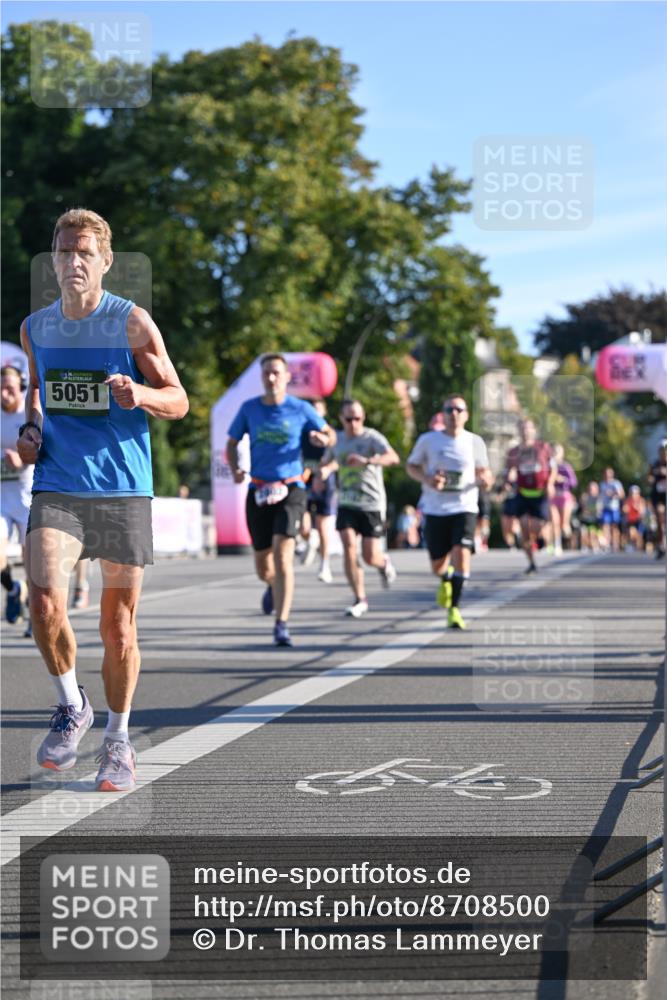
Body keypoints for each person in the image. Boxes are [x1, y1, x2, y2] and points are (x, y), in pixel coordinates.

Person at [17, 208, 188, 792]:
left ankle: (117, 741)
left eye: (85, 252)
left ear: (106, 260)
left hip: (120, 489)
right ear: (53, 260)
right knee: (42, 601)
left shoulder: (131, 324)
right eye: (64, 252)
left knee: (117, 628)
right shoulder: (35, 328)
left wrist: (138, 393)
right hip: (59, 483)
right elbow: (37, 399)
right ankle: (72, 704)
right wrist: (32, 430)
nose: (74, 262)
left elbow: (180, 400)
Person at [226, 354, 335, 646]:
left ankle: (281, 623)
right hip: (259, 488)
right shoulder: (250, 409)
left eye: (276, 373)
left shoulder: (300, 408)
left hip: (291, 488)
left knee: (283, 554)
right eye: (266, 374)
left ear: (287, 377)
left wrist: (325, 440)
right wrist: (236, 469)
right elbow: (232, 442)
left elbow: (329, 434)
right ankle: (272, 586)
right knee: (264, 565)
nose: (271, 378)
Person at [407, 393, 492, 629]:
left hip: (464, 506)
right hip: (435, 509)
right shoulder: (428, 440)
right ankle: (445, 579)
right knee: (438, 564)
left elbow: (486, 474)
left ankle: (454, 609)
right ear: (442, 415)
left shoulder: (475, 442)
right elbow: (411, 466)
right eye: (449, 410)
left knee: (462, 554)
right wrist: (427, 478)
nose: (453, 414)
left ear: (466, 415)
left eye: (458, 410)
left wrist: (486, 481)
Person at [319, 399, 399, 618]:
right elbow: (328, 461)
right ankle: (359, 598)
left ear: (363, 418)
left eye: (357, 418)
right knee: (348, 545)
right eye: (348, 419)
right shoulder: (337, 440)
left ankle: (383, 563)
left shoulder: (371, 437)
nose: (353, 423)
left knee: (370, 556)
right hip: (347, 502)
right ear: (341, 419)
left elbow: (393, 457)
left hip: (371, 503)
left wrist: (368, 460)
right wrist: (324, 471)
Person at [1, 364, 33, 634]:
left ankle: (38, 615)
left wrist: (22, 459)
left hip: (28, 497)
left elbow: (44, 448)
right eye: (1, 388)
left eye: (10, 387)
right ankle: (13, 588)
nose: (4, 392)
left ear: (20, 388)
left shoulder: (28, 413)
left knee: (33, 560)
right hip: (1, 498)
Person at [503, 419, 556, 573]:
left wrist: (550, 483)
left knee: (536, 526)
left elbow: (553, 468)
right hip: (523, 493)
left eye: (528, 428)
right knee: (525, 527)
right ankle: (531, 562)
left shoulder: (543, 447)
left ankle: (543, 539)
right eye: (522, 429)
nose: (525, 432)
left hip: (540, 494)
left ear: (533, 430)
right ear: (518, 431)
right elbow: (508, 471)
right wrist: (508, 480)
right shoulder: (513, 452)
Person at [299, 398, 336, 583]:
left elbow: (339, 457)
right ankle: (308, 538)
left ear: (324, 412)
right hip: (305, 479)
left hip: (324, 481)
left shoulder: (329, 433)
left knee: (322, 526)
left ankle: (325, 565)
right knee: (303, 526)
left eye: (318, 409)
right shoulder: (302, 431)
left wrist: (327, 469)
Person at [549, 444, 578, 555]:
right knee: (554, 522)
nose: (555, 454)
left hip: (565, 496)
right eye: (554, 452)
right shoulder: (549, 467)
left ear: (562, 454)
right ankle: (557, 545)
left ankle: (571, 539)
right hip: (553, 496)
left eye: (558, 452)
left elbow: (574, 482)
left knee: (563, 524)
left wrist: (564, 480)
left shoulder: (566, 467)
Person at [598, 467, 625, 552]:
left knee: (614, 527)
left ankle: (615, 544)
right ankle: (607, 543)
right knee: (605, 526)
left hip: (614, 508)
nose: (607, 475)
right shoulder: (602, 484)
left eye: (609, 473)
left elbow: (622, 495)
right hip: (605, 508)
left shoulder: (616, 483)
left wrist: (613, 494)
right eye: (606, 473)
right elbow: (600, 496)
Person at [647, 443, 667, 559]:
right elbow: (648, 478)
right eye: (661, 452)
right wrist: (651, 479)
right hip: (658, 496)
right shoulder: (655, 464)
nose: (663, 455)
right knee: (660, 518)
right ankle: (661, 544)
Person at [578, 481, 602, 551]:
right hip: (585, 519)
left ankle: (596, 546)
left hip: (595, 520)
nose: (591, 491)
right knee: (583, 532)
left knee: (593, 533)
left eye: (593, 489)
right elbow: (583, 509)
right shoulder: (584, 497)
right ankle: (585, 546)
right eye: (590, 489)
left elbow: (598, 510)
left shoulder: (598, 498)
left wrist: (590, 510)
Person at [622, 485, 646, 551]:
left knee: (639, 536)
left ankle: (639, 548)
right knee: (631, 533)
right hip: (631, 520)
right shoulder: (628, 500)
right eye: (632, 493)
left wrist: (638, 508)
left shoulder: (641, 500)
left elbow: (642, 511)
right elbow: (624, 509)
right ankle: (633, 545)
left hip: (639, 520)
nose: (634, 495)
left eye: (635, 493)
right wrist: (625, 509)